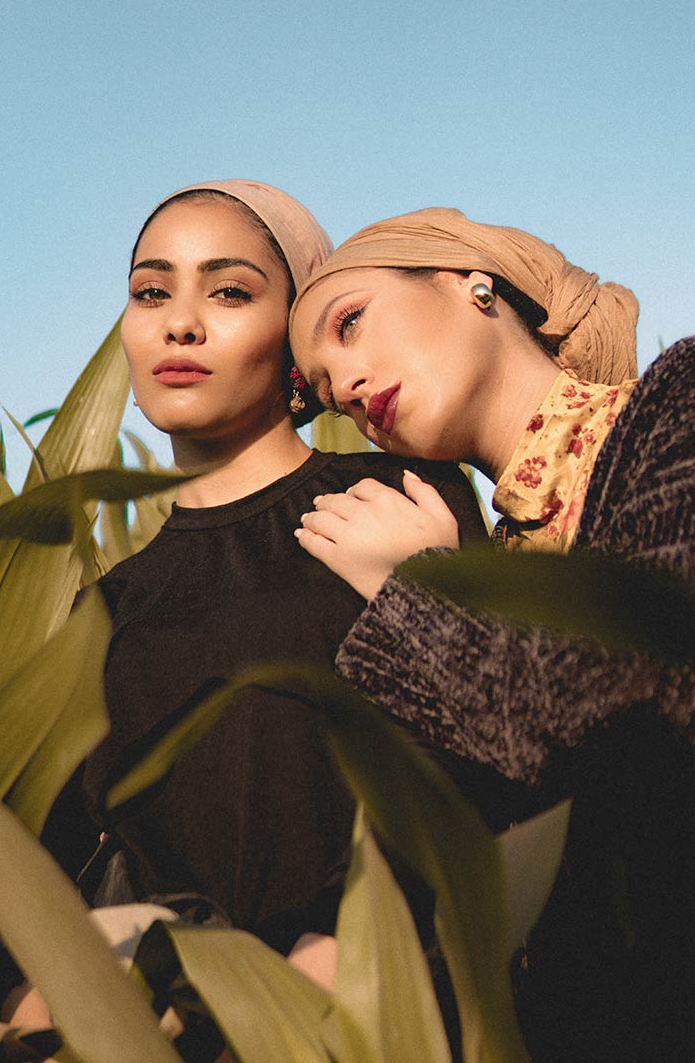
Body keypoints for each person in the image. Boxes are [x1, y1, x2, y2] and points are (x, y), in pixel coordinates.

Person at [0, 186, 486, 1038]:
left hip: (373, 1019)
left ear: (296, 335)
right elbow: (36, 890)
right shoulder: (103, 614)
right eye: (152, 292)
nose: (178, 324)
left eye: (229, 291)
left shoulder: (399, 500)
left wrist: (331, 969)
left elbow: (481, 769)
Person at [288, 207, 695, 1061]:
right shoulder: (483, 545)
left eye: (351, 324)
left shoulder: (680, 403)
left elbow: (636, 706)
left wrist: (420, 594)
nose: (350, 389)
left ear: (472, 282)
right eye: (327, 392)